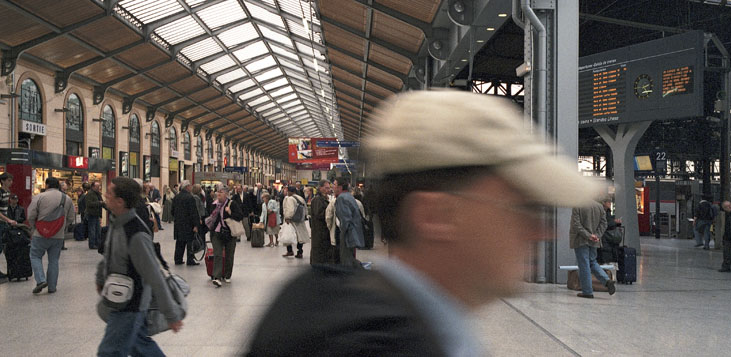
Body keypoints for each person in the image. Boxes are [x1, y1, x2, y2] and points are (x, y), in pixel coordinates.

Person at [245, 90, 602, 356]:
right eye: (521, 206)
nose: (543, 230)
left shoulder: (319, 303)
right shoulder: (373, 345)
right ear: (436, 216)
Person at [95, 177, 183, 356]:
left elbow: (154, 276)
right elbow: (111, 255)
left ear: (120, 201)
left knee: (109, 352)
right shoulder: (116, 221)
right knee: (140, 347)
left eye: (109, 193)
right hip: (120, 298)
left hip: (131, 304)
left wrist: (171, 314)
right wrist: (100, 277)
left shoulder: (136, 233)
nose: (105, 194)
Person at [27, 177, 75, 294]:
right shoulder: (67, 198)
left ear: (47, 185)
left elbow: (31, 215)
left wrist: (34, 227)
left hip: (40, 233)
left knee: (35, 256)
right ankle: (52, 287)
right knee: (54, 260)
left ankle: (40, 280)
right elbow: (70, 218)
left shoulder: (40, 197)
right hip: (58, 236)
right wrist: (61, 228)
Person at [570, 199, 616, 298]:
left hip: (581, 239)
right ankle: (606, 280)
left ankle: (587, 291)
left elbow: (576, 224)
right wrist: (597, 235)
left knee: (584, 264)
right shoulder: (599, 206)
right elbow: (604, 224)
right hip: (594, 240)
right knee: (592, 262)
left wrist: (588, 235)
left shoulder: (577, 205)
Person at [208, 186, 243, 287]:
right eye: (217, 192)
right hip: (217, 233)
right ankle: (217, 277)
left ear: (227, 194)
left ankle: (227, 275)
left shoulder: (232, 204)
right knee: (218, 254)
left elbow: (240, 216)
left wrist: (230, 212)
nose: (218, 193)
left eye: (221, 192)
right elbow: (210, 217)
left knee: (229, 255)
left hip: (229, 233)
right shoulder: (214, 204)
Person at [0, 172, 17, 279]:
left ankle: (3, 269)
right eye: (9, 180)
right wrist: (7, 219)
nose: (11, 182)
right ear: (3, 181)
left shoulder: (7, 192)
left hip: (3, 223)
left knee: (2, 246)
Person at [334, 181, 364, 268]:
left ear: (340, 187)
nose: (333, 187)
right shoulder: (349, 196)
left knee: (345, 258)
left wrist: (342, 232)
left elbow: (345, 218)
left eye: (335, 185)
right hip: (354, 231)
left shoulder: (341, 198)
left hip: (347, 233)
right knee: (350, 257)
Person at [171, 181, 200, 266]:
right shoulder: (190, 198)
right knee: (189, 242)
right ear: (187, 187)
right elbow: (193, 212)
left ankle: (178, 259)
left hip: (178, 223)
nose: (191, 187)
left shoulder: (176, 197)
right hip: (188, 224)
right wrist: (196, 224)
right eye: (190, 186)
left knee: (179, 242)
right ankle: (190, 260)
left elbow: (172, 211)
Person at [309, 180, 336, 264]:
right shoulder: (317, 200)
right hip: (319, 230)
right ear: (320, 188)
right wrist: (330, 212)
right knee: (319, 250)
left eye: (329, 188)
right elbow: (319, 214)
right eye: (326, 188)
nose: (328, 189)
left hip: (323, 231)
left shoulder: (324, 199)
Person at [282, 186, 310, 258]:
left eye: (288, 191)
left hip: (292, 220)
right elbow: (305, 208)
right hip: (300, 220)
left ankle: (290, 251)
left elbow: (290, 209)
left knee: (288, 234)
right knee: (300, 236)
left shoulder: (290, 199)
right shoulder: (300, 198)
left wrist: (287, 217)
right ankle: (300, 252)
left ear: (291, 192)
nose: (287, 193)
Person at [84, 182, 105, 250]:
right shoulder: (90, 194)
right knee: (92, 230)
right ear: (93, 187)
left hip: (97, 214)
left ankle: (97, 243)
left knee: (98, 230)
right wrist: (99, 203)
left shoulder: (98, 194)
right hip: (91, 214)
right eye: (97, 186)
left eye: (99, 186)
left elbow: (102, 203)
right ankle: (92, 244)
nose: (99, 187)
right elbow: (89, 204)